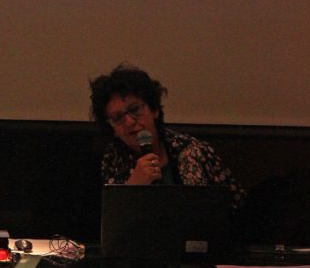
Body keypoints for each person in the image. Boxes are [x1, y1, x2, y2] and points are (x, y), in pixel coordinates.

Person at [89, 64, 246, 208]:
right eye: (118, 118)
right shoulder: (110, 159)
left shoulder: (192, 150)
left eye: (135, 109)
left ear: (154, 110)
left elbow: (236, 208)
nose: (129, 122)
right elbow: (108, 225)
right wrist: (133, 187)